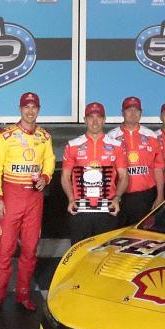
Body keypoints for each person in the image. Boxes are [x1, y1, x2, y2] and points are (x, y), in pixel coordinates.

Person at [0, 92, 55, 316]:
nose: (30, 111)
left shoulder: (45, 137)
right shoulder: (6, 135)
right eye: (26, 107)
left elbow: (50, 161)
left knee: (29, 251)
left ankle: (23, 295)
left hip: (35, 200)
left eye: (33, 107)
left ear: (38, 109)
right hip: (11, 198)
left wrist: (45, 178)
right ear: (20, 108)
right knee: (5, 251)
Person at [61, 102, 128, 243]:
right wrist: (71, 199)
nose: (95, 121)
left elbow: (123, 176)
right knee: (78, 253)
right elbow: (65, 176)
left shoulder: (117, 145)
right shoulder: (73, 145)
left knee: (105, 254)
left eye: (99, 117)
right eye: (91, 117)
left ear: (104, 120)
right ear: (85, 120)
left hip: (107, 208)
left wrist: (117, 198)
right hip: (80, 208)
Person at [107, 96, 164, 225]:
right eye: (129, 110)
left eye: (136, 110)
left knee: (143, 238)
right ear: (122, 112)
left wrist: (160, 196)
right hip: (119, 196)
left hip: (145, 196)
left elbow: (158, 168)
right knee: (118, 236)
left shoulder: (152, 136)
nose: (133, 113)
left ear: (141, 113)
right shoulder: (111, 137)